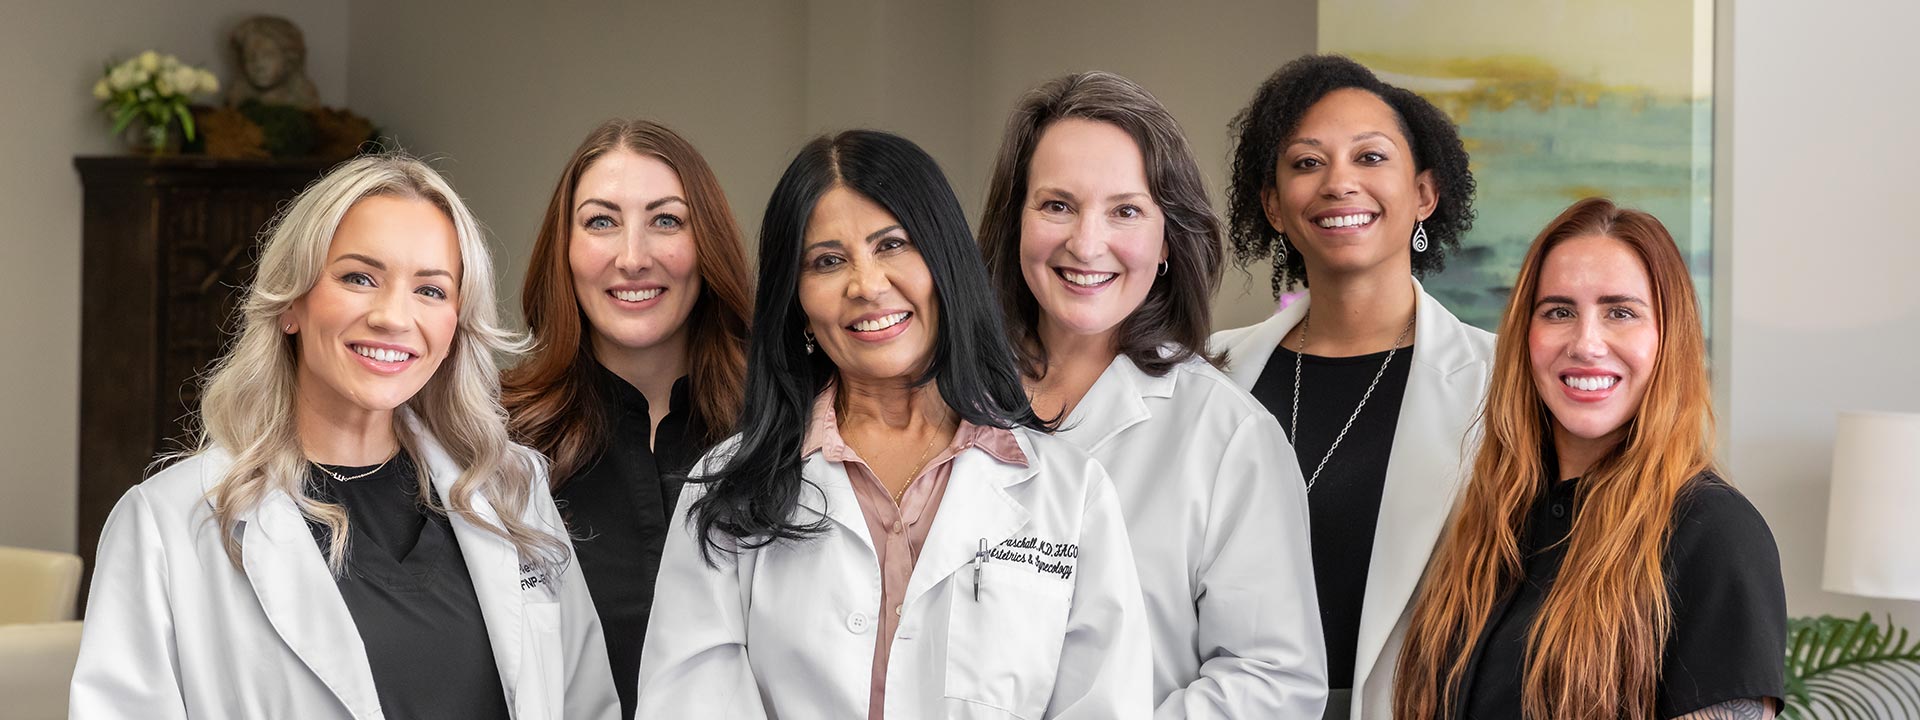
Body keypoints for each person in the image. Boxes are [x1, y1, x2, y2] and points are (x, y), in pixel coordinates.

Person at [70, 154, 618, 720]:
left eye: (430, 290)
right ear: (291, 305)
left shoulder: (512, 490)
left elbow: (584, 703)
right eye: (359, 278)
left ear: (456, 324)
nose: (393, 317)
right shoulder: (168, 523)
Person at [637, 130, 1151, 719]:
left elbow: (1106, 705)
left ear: (944, 261)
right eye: (827, 261)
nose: (867, 285)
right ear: (797, 298)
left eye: (892, 245)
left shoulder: (1070, 493)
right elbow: (690, 703)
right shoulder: (727, 488)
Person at [978, 70, 1327, 717]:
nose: (1087, 243)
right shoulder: (951, 403)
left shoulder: (1228, 437)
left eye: (1125, 211)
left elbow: (1273, 683)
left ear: (1167, 239)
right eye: (1057, 204)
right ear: (1016, 221)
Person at [1395, 198, 1785, 720]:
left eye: (1620, 312)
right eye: (1558, 311)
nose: (1586, 343)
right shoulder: (1493, 520)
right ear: (1524, 337)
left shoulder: (1714, 532)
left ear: (1668, 339)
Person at [1209, 54, 1492, 720]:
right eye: (1307, 163)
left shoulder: (1501, 380)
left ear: (1424, 193)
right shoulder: (1208, 372)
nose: (1339, 183)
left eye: (1370, 158)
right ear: (1274, 206)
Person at [502, 118, 751, 720]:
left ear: (707, 243)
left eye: (666, 220)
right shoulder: (494, 444)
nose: (633, 257)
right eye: (601, 221)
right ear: (563, 247)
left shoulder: (787, 432)